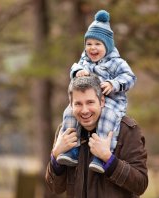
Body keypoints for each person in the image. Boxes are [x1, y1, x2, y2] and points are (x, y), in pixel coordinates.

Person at [57, 9, 137, 173]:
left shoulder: (116, 62)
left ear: (107, 46)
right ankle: (71, 150)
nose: (92, 48)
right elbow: (75, 67)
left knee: (107, 117)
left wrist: (114, 84)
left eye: (97, 44)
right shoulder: (84, 59)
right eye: (89, 44)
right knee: (69, 112)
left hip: (112, 103)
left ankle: (101, 156)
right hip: (90, 100)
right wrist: (77, 72)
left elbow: (130, 77)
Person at [45, 74, 148, 198]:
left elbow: (140, 184)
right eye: (78, 104)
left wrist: (109, 159)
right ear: (71, 105)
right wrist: (55, 155)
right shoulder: (65, 132)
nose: (84, 110)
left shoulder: (127, 130)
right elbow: (56, 188)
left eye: (90, 102)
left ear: (102, 101)